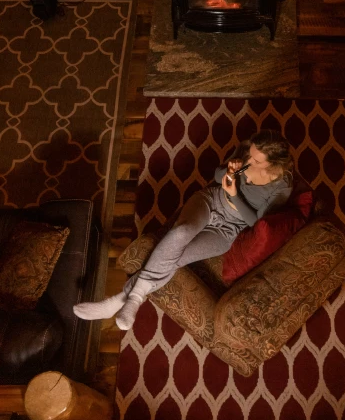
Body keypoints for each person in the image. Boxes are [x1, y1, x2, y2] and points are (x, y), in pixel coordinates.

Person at [73, 129, 293, 331]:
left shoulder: (281, 187)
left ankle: (119, 301)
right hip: (211, 201)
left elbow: (256, 222)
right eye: (250, 154)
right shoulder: (246, 151)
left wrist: (235, 193)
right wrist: (229, 171)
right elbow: (217, 177)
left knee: (175, 257)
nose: (249, 159)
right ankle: (134, 299)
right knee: (180, 232)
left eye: (255, 160)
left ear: (271, 164)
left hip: (230, 229)